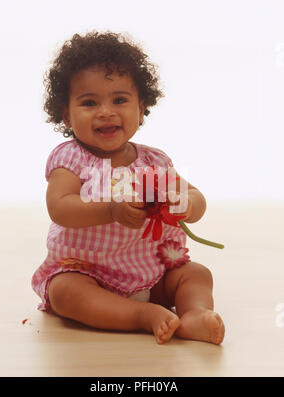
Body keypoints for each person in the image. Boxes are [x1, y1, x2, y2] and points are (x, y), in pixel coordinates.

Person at [31, 31, 225, 345]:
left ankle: (194, 315)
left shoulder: (154, 160)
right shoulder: (71, 159)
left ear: (141, 106)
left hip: (152, 271)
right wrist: (110, 210)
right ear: (66, 113)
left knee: (197, 274)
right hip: (88, 272)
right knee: (65, 292)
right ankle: (141, 316)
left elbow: (196, 197)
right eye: (89, 102)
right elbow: (60, 207)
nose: (105, 111)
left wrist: (187, 205)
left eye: (119, 100)